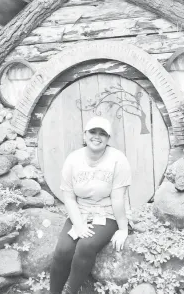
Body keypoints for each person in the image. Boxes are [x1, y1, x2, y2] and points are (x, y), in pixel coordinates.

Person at [49, 116, 132, 294]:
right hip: (80, 212)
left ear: (108, 138)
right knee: (63, 250)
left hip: (107, 214)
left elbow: (118, 199)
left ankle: (71, 291)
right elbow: (69, 197)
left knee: (86, 246)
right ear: (85, 135)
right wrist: (78, 225)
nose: (97, 136)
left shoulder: (118, 160)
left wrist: (123, 229)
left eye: (102, 133)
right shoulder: (73, 160)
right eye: (93, 132)